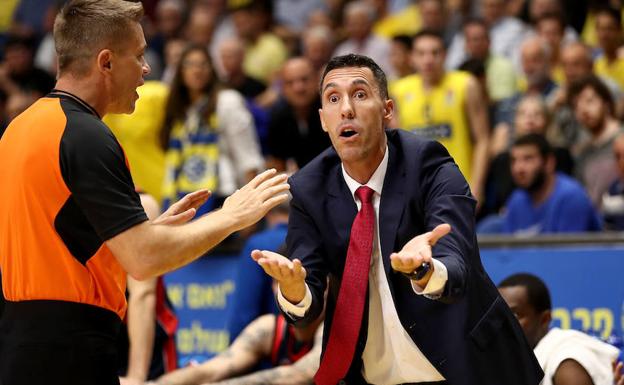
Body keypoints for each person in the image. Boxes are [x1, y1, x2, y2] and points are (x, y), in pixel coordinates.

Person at [0, 1, 289, 384]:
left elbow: (62, 240)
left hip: (21, 340)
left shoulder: (20, 128)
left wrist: (154, 229)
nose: (147, 69)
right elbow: (142, 260)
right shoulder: (85, 135)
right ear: (105, 62)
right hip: (69, 347)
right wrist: (231, 216)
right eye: (137, 56)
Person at [252, 53, 542, 385]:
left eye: (360, 94)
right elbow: (308, 290)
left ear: (387, 110)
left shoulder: (429, 163)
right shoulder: (309, 187)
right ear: (323, 119)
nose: (346, 109)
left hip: (466, 366)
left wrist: (424, 269)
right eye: (333, 98)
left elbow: (457, 258)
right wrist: (294, 289)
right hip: (374, 375)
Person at [160, 44, 264, 215]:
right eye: (190, 64)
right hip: (181, 196)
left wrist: (251, 209)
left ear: (212, 69)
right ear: (180, 71)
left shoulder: (228, 101)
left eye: (203, 64)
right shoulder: (179, 109)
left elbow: (248, 158)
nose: (197, 70)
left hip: (222, 196)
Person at [392, 30, 490, 205]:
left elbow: (482, 139)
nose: (428, 59)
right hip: (415, 190)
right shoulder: (399, 91)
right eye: (421, 53)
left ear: (445, 55)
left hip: (458, 186)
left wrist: (477, 186)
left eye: (435, 52)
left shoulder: (466, 84)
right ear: (412, 58)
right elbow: (396, 147)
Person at [498, 273, 620, 385]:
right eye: (499, 316)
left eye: (514, 316)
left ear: (545, 319)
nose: (503, 324)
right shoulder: (514, 361)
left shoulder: (566, 360)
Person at [152, 313, 323, 385]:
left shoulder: (333, 329)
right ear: (274, 287)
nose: (298, 295)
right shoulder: (269, 328)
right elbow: (211, 370)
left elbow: (301, 374)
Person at [501, 134, 601, 234]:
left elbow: (569, 248)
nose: (519, 168)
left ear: (549, 163)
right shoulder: (516, 200)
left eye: (528, 159)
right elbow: (508, 247)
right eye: (514, 161)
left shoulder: (571, 197)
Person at [568, 74, 623, 209]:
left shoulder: (622, 140)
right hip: (597, 227)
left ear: (606, 103)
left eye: (589, 101)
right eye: (576, 105)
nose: (583, 109)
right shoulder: (583, 154)